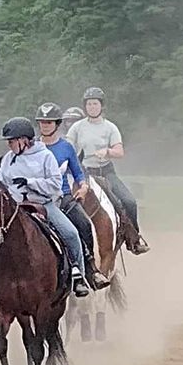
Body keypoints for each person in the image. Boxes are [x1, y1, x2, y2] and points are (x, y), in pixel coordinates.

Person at [0, 117, 90, 303]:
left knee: (71, 233)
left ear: (23, 140)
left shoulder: (45, 157)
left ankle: (78, 275)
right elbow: (1, 183)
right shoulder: (7, 159)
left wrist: (30, 183)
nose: (9, 145)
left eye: (11, 141)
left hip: (43, 205)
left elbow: (55, 184)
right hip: (14, 208)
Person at [64, 87, 149, 254]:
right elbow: (67, 147)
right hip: (83, 173)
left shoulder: (110, 128)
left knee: (128, 201)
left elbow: (120, 151)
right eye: (89, 104)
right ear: (85, 106)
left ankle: (134, 239)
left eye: (95, 104)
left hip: (105, 172)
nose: (92, 107)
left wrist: (108, 152)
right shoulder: (77, 127)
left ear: (101, 106)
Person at [35, 102, 109, 289]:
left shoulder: (66, 148)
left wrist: (83, 187)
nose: (45, 125)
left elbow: (78, 173)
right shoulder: (32, 147)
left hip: (63, 197)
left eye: (49, 122)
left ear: (57, 124)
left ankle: (89, 269)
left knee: (83, 224)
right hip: (36, 198)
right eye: (42, 122)